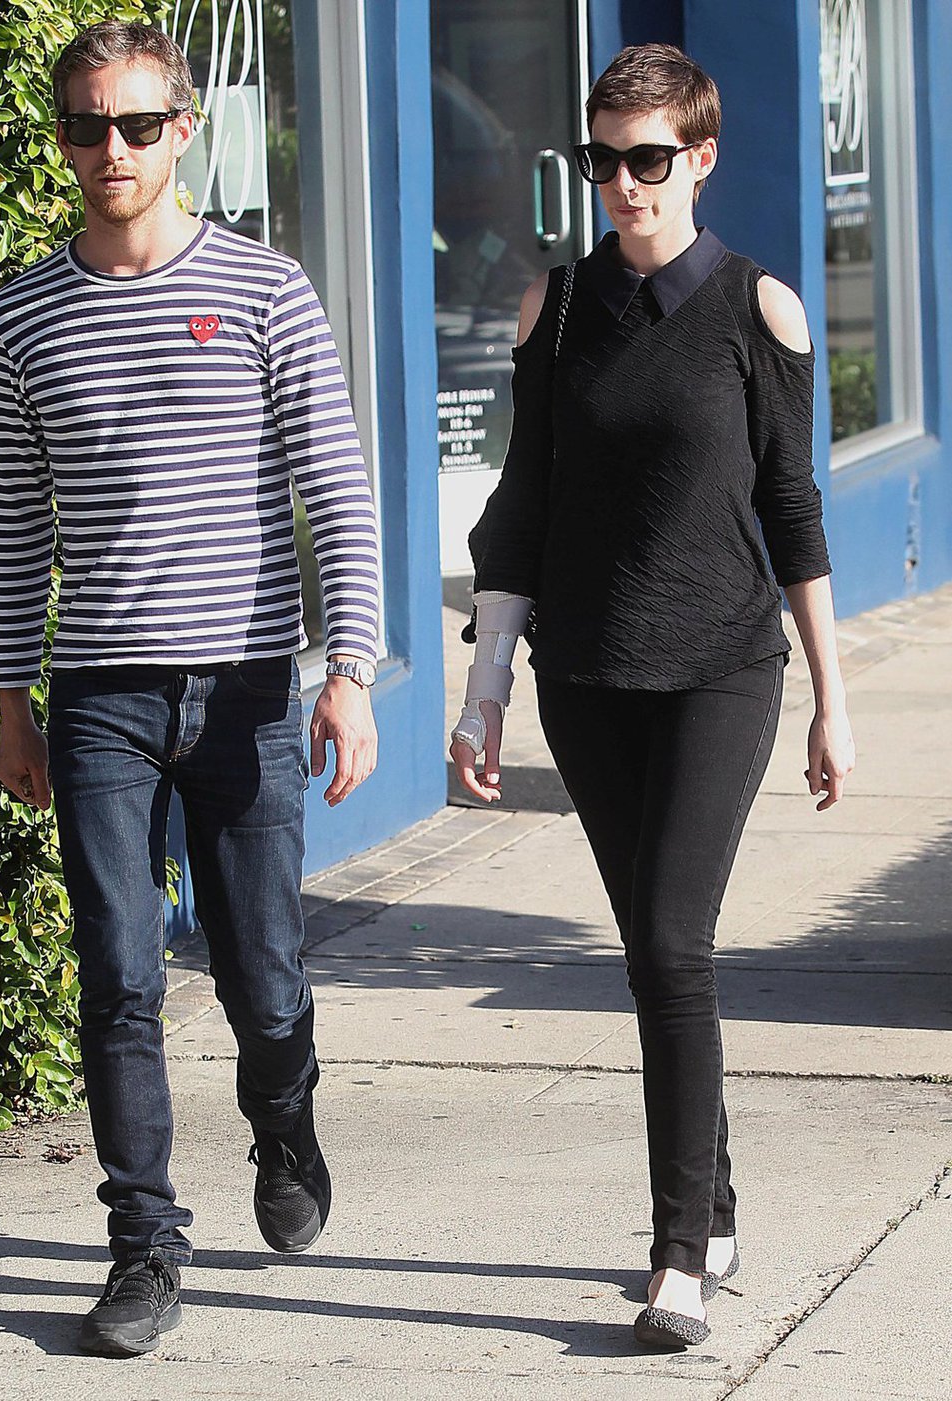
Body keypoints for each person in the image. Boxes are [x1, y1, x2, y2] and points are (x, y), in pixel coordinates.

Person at [0, 21, 380, 1357]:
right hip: (98, 693)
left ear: (183, 131)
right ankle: (143, 1241)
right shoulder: (22, 316)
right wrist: (10, 696)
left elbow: (334, 487)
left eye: (137, 125)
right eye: (88, 125)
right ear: (62, 137)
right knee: (118, 975)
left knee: (264, 977)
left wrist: (350, 670)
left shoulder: (267, 290)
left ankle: (284, 1110)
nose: (112, 149)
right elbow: (12, 523)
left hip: (251, 690)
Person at [451, 44, 855, 1350]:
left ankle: (676, 1249)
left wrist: (829, 700)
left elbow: (791, 515)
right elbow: (517, 516)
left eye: (650, 159)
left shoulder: (760, 311)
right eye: (603, 161)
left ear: (700, 157)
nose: (625, 185)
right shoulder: (551, 312)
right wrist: (483, 691)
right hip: (586, 675)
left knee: (673, 947)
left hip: (722, 670)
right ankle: (714, 1191)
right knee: (653, 954)